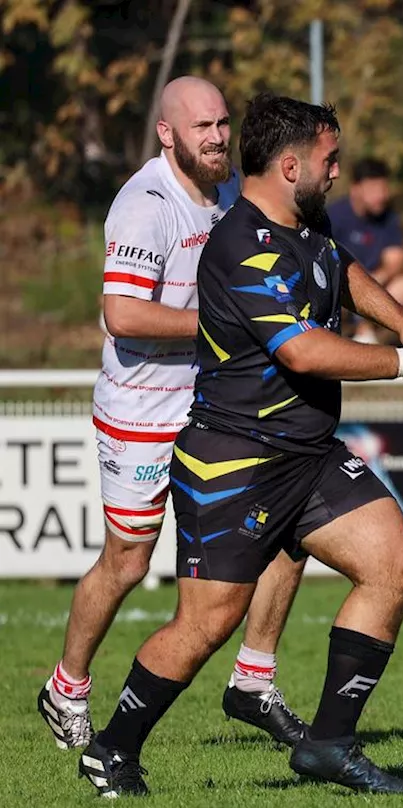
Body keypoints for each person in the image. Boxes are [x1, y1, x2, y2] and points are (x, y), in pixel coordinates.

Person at [75, 93, 403, 798]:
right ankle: (112, 747)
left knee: (394, 569)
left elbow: (343, 267)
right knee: (206, 623)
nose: (338, 172)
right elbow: (301, 351)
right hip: (236, 459)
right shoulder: (240, 245)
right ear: (290, 164)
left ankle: (328, 743)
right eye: (329, 160)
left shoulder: (307, 221)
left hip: (309, 452)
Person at [38, 77, 309, 755]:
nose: (218, 138)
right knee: (128, 561)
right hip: (140, 410)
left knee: (287, 532)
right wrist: (222, 323)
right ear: (167, 134)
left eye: (223, 123)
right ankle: (67, 684)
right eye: (202, 128)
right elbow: (122, 316)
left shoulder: (227, 195)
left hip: (214, 407)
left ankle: (253, 678)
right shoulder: (144, 204)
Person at [327, 158, 403, 343]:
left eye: (384, 189)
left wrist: (372, 281)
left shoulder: (389, 219)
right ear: (356, 188)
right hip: (340, 286)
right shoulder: (333, 216)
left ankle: (368, 334)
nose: (382, 196)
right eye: (375, 189)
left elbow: (394, 260)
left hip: (375, 284)